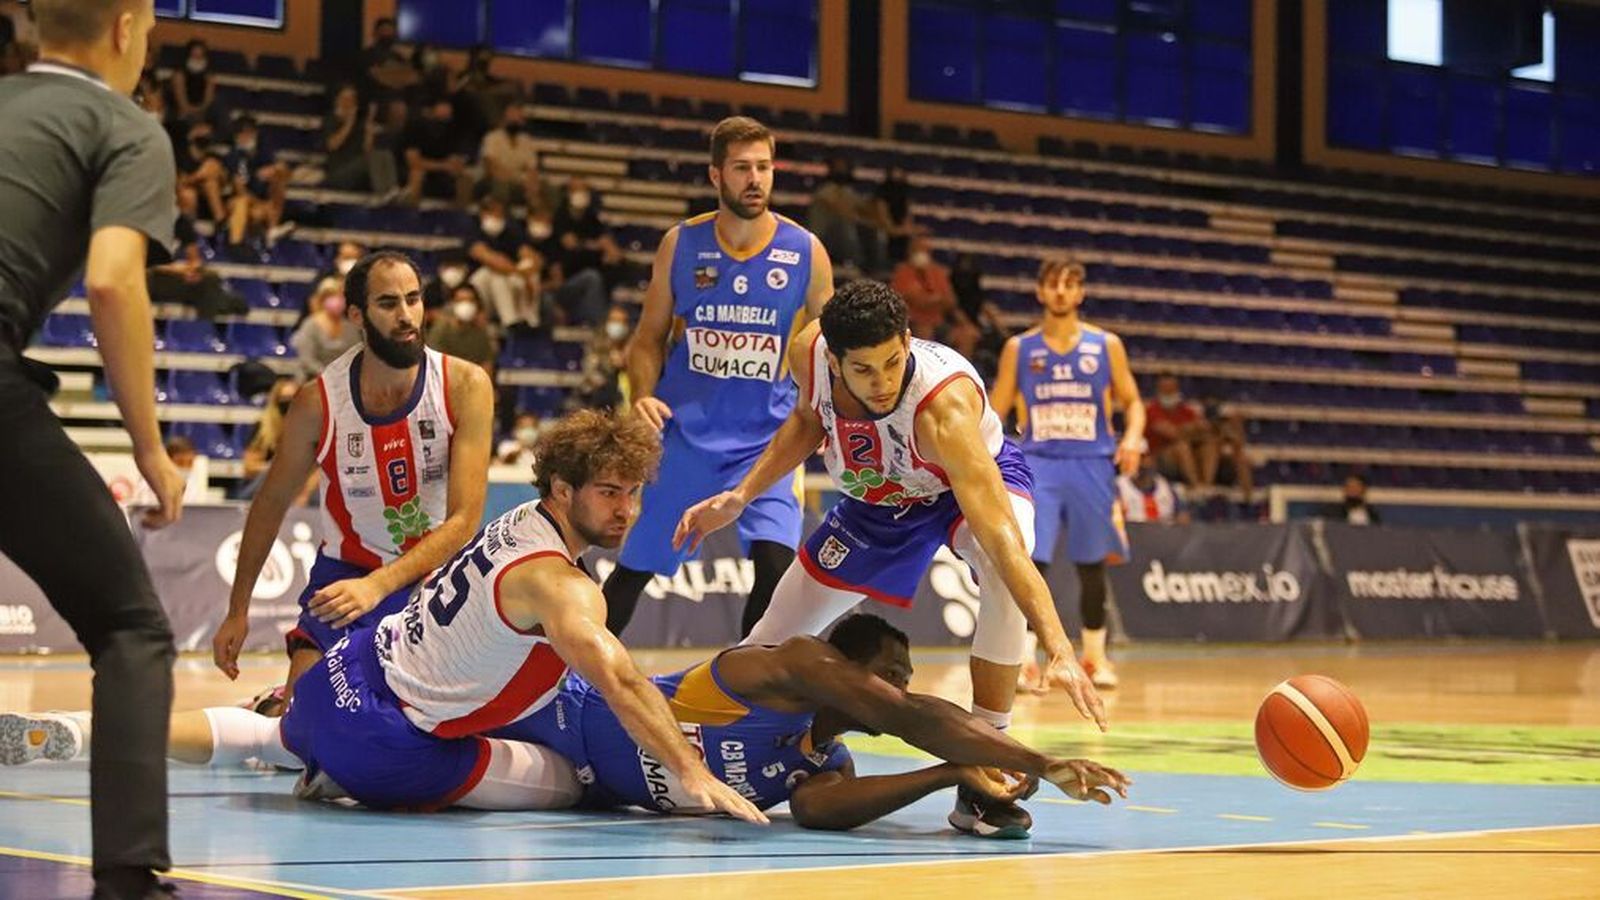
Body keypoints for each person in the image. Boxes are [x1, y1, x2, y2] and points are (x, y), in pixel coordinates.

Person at [4, 412, 769, 827]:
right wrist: (692, 772)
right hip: (388, 745)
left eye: (633, 492)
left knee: (270, 734)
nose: (627, 510)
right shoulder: (562, 587)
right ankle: (338, 778)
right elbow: (622, 682)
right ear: (563, 492)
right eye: (609, 492)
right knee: (569, 783)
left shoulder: (517, 523)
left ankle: (78, 729)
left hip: (345, 670)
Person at [7, 615, 1129, 835]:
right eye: (880, 681)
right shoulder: (781, 668)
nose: (888, 697)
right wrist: (1035, 753)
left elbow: (824, 811)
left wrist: (944, 782)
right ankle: (78, 729)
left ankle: (84, 735)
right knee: (309, 728)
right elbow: (918, 714)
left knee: (305, 745)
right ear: (845, 668)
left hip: (574, 777)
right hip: (558, 704)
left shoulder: (817, 751)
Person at [676, 280, 1107, 839]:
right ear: (834, 361)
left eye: (892, 362)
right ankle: (700, 752)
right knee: (765, 645)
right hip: (879, 501)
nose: (881, 382)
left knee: (1000, 571)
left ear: (907, 341)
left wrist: (1058, 645)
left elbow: (1002, 540)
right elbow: (808, 421)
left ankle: (982, 785)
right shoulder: (808, 351)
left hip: (962, 489)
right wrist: (741, 496)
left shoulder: (944, 408)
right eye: (864, 370)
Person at [0, 1, 182, 894]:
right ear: (125, 27)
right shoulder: (125, 126)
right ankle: (129, 881)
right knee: (130, 628)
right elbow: (113, 283)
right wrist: (150, 447)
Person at [210, 251, 495, 717]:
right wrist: (238, 611)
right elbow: (270, 503)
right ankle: (276, 704)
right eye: (388, 303)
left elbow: (464, 521)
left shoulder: (465, 385)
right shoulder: (318, 402)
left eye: (413, 299)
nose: (406, 316)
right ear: (357, 315)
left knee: (421, 723)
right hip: (347, 577)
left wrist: (379, 585)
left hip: (437, 577)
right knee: (306, 726)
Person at [603, 116, 833, 639]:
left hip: (768, 441)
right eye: (742, 168)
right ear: (716, 175)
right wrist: (642, 395)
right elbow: (647, 338)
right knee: (632, 573)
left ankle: (743, 686)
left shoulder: (805, 251)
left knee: (775, 569)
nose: (755, 179)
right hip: (684, 439)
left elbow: (831, 349)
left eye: (764, 167)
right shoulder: (681, 244)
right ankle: (568, 677)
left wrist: (829, 413)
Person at [990, 257, 1144, 691]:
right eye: (1053, 283)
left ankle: (1094, 658)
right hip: (1037, 462)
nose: (1060, 291)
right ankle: (1024, 661)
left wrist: (1133, 437)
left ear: (1080, 292)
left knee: (1091, 564)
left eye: (1069, 284)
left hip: (1092, 462)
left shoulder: (1106, 345)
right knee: (1030, 560)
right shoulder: (1020, 348)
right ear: (1040, 291)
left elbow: (1133, 401)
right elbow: (994, 409)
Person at [890, 236, 978, 360]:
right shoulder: (902, 272)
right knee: (924, 328)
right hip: (914, 323)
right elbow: (913, 301)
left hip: (939, 322)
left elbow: (951, 301)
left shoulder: (938, 272)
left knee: (968, 334)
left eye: (925, 250)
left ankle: (958, 369)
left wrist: (965, 323)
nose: (922, 254)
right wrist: (934, 300)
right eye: (918, 250)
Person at [236, 376, 317, 504]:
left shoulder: (310, 429)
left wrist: (304, 493)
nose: (288, 404)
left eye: (293, 399)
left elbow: (316, 469)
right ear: (275, 402)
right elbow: (249, 467)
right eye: (284, 399)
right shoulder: (262, 428)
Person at [467, 195, 541, 330]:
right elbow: (491, 260)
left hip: (506, 283)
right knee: (495, 273)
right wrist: (520, 273)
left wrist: (525, 272)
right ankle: (510, 322)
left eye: (499, 213)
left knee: (526, 267)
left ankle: (528, 320)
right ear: (482, 213)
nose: (496, 216)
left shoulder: (511, 230)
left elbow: (533, 258)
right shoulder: (473, 230)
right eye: (491, 212)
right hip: (479, 289)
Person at [223, 115, 294, 247]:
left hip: (262, 202)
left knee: (278, 179)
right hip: (239, 202)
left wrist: (274, 169)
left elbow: (284, 171)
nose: (246, 136)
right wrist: (261, 205)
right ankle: (236, 244)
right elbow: (240, 191)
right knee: (247, 206)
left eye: (249, 132)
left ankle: (272, 229)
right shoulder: (233, 156)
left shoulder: (264, 151)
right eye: (242, 133)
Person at [320, 83, 397, 196]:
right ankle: (383, 193)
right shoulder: (330, 120)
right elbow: (332, 145)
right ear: (337, 100)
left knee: (384, 154)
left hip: (356, 170)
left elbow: (367, 149)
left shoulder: (359, 124)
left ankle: (392, 190)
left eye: (351, 99)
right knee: (370, 159)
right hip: (337, 172)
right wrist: (349, 122)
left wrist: (369, 125)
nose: (347, 102)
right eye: (344, 99)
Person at [1145, 374, 1216, 490]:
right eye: (1165, 390)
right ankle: (1195, 485)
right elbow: (1172, 433)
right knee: (1181, 447)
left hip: (1189, 454)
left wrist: (1190, 430)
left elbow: (1203, 430)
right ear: (1159, 390)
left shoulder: (1187, 411)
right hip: (1160, 457)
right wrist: (1191, 429)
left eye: (1171, 390)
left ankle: (1207, 486)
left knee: (1209, 444)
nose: (1169, 393)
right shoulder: (1152, 411)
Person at [401, 95, 470, 207]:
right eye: (443, 105)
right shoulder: (414, 127)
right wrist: (443, 166)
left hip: (443, 172)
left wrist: (455, 164)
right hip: (420, 170)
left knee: (465, 178)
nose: (447, 109)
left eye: (448, 106)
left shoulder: (452, 129)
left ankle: (458, 213)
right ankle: (411, 212)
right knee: (417, 174)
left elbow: (455, 157)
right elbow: (413, 162)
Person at [288, 276, 360, 378]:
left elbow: (355, 355)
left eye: (340, 296)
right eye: (332, 295)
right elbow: (307, 360)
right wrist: (328, 375)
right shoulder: (310, 325)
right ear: (322, 299)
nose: (337, 300)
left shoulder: (350, 327)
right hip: (313, 378)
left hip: (342, 378)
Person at [425, 282, 497, 381]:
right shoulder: (442, 329)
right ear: (453, 304)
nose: (465, 305)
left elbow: (487, 366)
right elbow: (435, 366)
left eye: (470, 301)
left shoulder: (480, 332)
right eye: (460, 300)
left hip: (474, 384)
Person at [478, 103, 540, 207]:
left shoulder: (526, 141)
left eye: (517, 118)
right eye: (511, 117)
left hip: (518, 183)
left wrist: (532, 184)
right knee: (501, 184)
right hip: (494, 180)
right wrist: (513, 178)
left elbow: (532, 168)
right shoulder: (492, 137)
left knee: (545, 187)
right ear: (504, 118)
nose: (514, 121)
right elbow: (491, 166)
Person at [1118, 452, 1186, 525]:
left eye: (1149, 467)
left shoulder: (1166, 486)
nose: (1145, 466)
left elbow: (1183, 517)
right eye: (1141, 468)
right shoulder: (1119, 487)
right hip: (1133, 529)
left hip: (1165, 529)